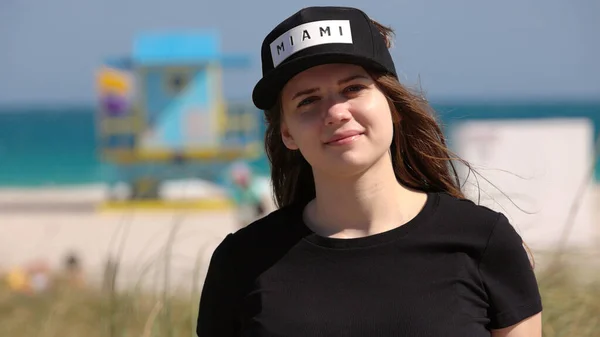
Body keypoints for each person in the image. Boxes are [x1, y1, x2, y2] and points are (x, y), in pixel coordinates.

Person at [196, 6, 542, 337]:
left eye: (353, 88)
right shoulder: (241, 262)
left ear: (392, 106)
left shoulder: (483, 241)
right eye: (307, 101)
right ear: (287, 133)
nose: (336, 112)